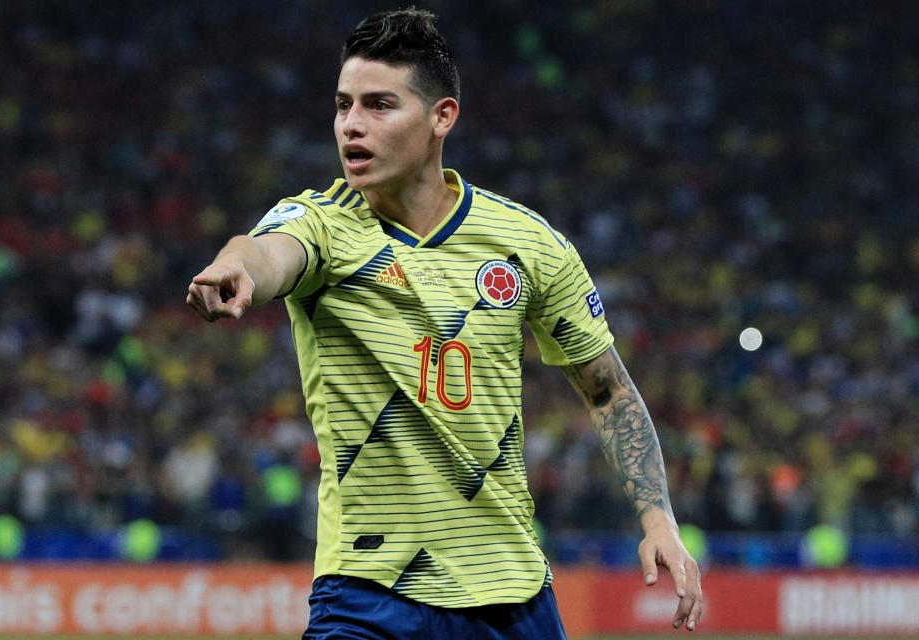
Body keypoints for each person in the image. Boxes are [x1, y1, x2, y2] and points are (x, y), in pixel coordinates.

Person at [187, 8, 703, 639]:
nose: (352, 124)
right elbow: (266, 252)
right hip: (368, 596)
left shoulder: (528, 244)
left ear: (441, 117)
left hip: (511, 596)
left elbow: (607, 389)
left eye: (379, 105)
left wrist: (658, 521)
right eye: (343, 104)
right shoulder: (321, 224)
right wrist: (233, 267)